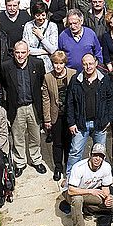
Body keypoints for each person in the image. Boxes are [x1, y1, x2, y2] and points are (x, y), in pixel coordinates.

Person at [63, 142, 113, 226]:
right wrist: (90, 191)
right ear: (90, 155)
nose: (97, 158)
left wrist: (107, 198)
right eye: (95, 155)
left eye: (101, 156)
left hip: (90, 192)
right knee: (77, 199)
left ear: (104, 158)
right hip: (72, 192)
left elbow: (106, 188)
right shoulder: (79, 167)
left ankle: (86, 209)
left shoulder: (106, 167)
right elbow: (71, 190)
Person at [0, 40, 48, 174]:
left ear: (28, 53)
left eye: (23, 52)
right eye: (17, 53)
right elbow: (4, 85)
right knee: (18, 137)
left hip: (33, 106)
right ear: (13, 53)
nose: (20, 56)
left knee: (35, 136)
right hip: (17, 107)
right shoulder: (6, 66)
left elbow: (41, 83)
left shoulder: (37, 64)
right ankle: (20, 162)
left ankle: (36, 160)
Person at [66, 53, 113, 168]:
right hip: (81, 123)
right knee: (75, 152)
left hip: (100, 123)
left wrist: (108, 119)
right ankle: (70, 179)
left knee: (99, 154)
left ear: (96, 63)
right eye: (85, 64)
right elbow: (70, 102)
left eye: (91, 64)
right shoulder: (75, 80)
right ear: (82, 65)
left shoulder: (104, 79)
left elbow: (111, 99)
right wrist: (71, 123)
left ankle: (99, 179)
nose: (88, 67)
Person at [41, 50, 74, 181]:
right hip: (56, 115)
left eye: (60, 63)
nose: (58, 66)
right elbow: (46, 99)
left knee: (69, 142)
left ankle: (68, 166)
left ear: (64, 63)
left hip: (70, 115)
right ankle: (58, 167)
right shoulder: (48, 77)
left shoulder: (73, 74)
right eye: (55, 63)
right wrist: (47, 118)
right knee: (57, 143)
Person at [22, 1, 59, 68]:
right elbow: (26, 49)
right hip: (32, 63)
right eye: (38, 15)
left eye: (43, 15)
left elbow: (53, 49)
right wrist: (45, 51)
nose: (40, 18)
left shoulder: (52, 26)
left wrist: (41, 37)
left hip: (48, 65)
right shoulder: (28, 25)